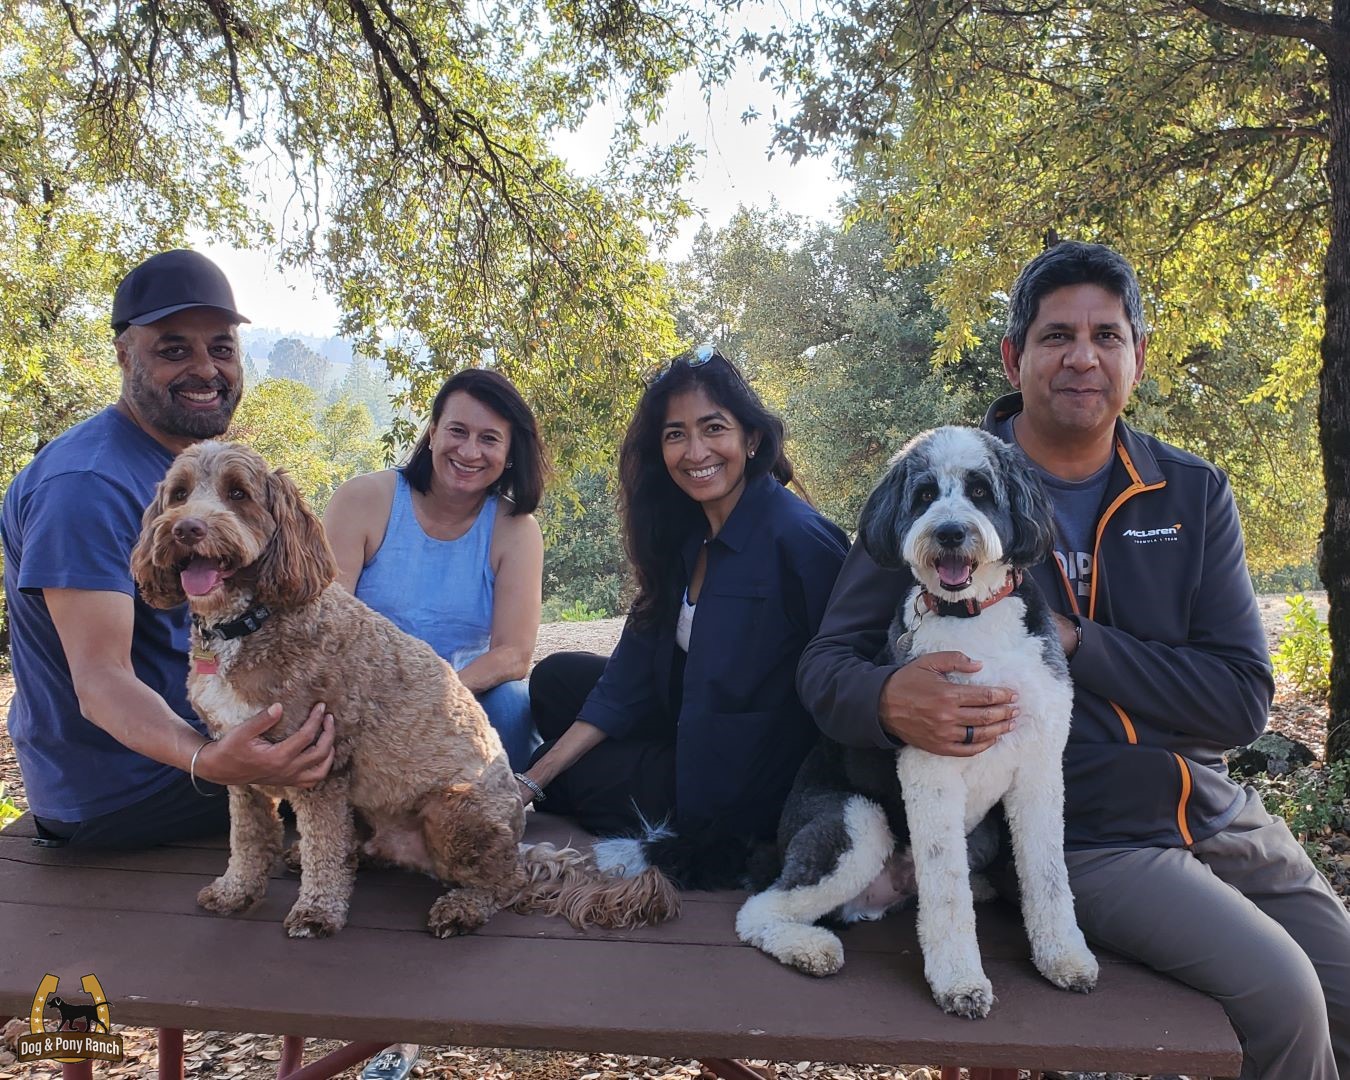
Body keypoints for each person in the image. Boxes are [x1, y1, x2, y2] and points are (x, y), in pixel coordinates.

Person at [797, 240, 1350, 1080]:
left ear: (1138, 355)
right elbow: (826, 666)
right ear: (1015, 356)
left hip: (1209, 805)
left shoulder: (1190, 492)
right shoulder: (940, 486)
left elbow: (1240, 699)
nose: (1083, 357)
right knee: (1286, 999)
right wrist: (888, 699)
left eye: (1106, 335)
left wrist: (1077, 643)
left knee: (1345, 988)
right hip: (1083, 833)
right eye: (1057, 336)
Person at [1, 249, 335, 850]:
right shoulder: (87, 485)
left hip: (194, 750)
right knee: (366, 794)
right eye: (174, 349)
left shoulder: (187, 469)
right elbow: (100, 681)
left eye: (222, 348)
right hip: (129, 790)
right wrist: (211, 760)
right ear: (125, 355)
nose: (205, 369)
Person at [522, 346, 850, 853]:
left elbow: (844, 674)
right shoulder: (684, 532)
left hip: (742, 768)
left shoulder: (800, 538)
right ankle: (611, 765)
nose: (695, 452)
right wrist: (529, 780)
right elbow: (628, 672)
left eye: (713, 428)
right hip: (687, 714)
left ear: (752, 437)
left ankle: (644, 784)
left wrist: (539, 781)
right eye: (676, 434)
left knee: (577, 780)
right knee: (554, 680)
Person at [323, 368, 546, 774]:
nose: (469, 451)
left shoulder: (516, 530)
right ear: (433, 434)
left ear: (510, 453)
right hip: (364, 694)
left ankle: (482, 816)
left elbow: (513, 654)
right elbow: (325, 623)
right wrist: (385, 702)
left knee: (513, 705)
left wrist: (433, 694)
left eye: (489, 439)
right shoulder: (364, 499)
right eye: (457, 431)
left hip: (459, 694)